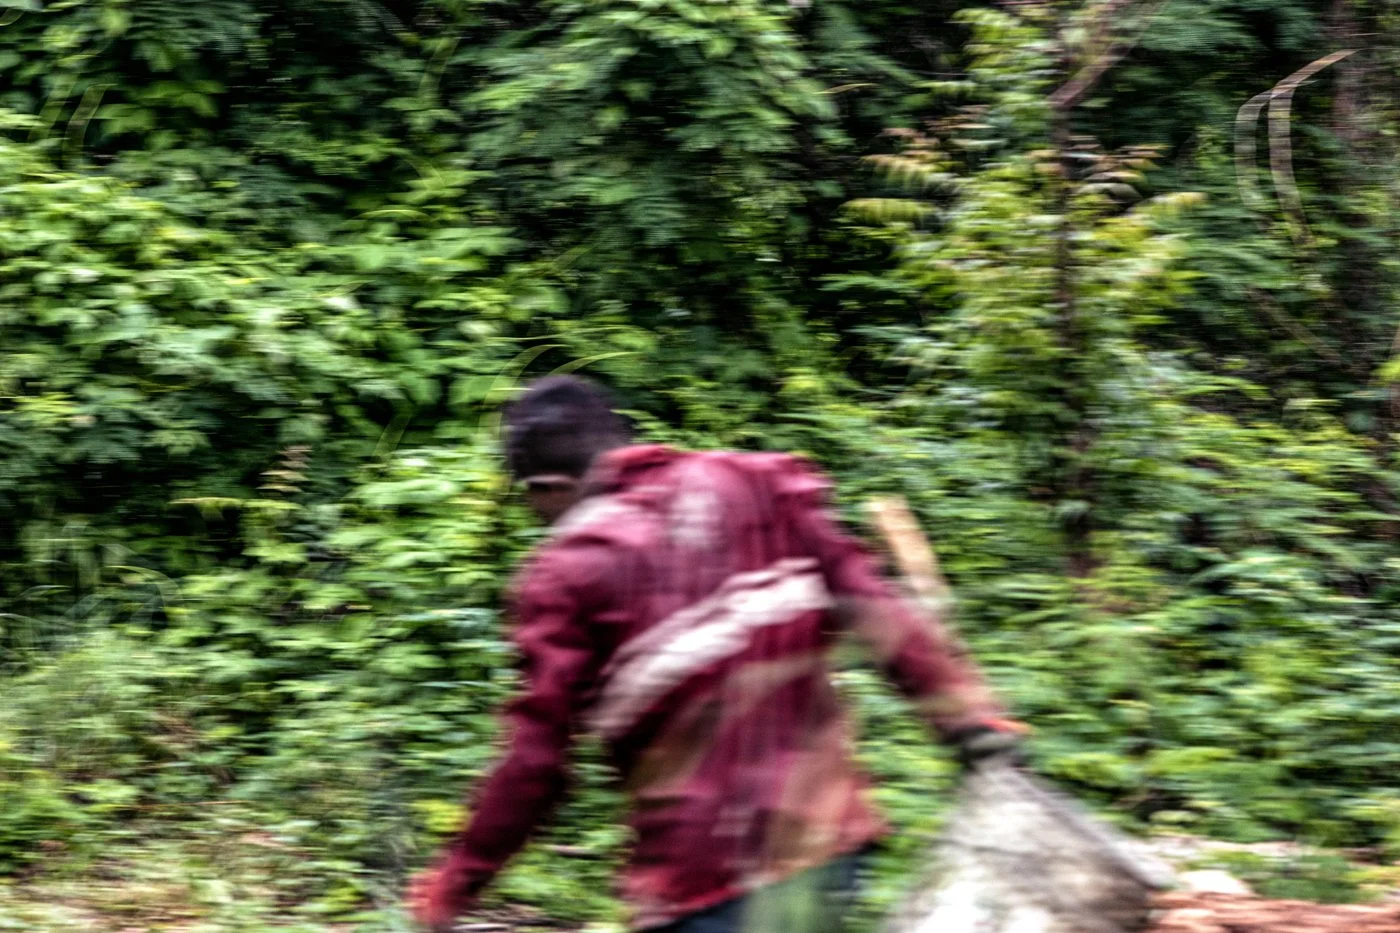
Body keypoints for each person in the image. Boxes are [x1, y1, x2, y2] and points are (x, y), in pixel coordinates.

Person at [408, 376, 1024, 933]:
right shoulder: (761, 484)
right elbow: (876, 608)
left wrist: (454, 884)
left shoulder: (566, 573)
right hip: (828, 846)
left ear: (547, 487)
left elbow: (536, 761)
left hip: (704, 881)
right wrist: (969, 717)